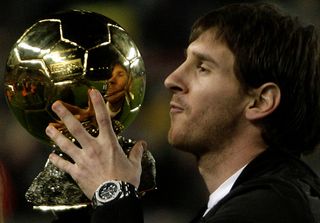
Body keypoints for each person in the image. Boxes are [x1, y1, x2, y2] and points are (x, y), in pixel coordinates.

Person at [45, 2, 320, 223]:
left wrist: (113, 195)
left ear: (260, 101)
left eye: (203, 67)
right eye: (185, 60)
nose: (171, 79)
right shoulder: (252, 198)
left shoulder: (268, 211)